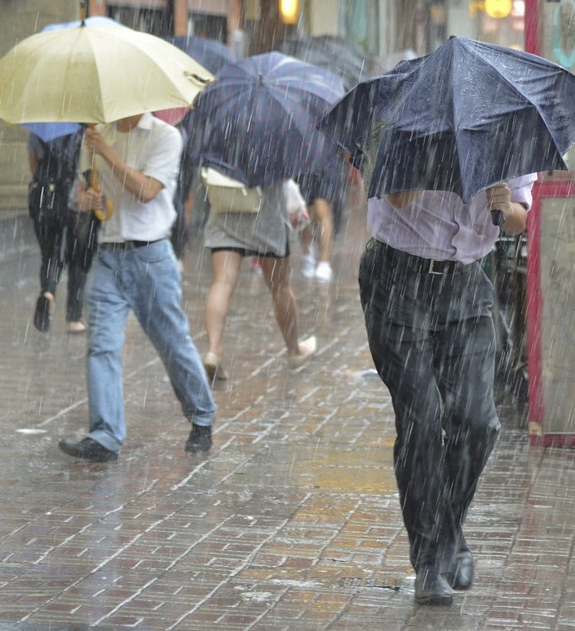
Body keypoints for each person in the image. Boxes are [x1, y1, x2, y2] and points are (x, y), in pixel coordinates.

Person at [357, 175, 537, 606]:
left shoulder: (504, 128)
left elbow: (518, 220)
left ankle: (447, 533)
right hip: (396, 281)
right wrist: (436, 164)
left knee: (478, 423)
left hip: (466, 285)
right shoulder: (406, 118)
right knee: (422, 417)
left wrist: (503, 205)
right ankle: (430, 562)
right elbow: (396, 198)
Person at [57, 114, 216, 462]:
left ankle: (202, 416)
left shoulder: (166, 137)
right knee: (101, 345)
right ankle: (105, 436)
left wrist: (107, 151)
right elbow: (87, 193)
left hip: (152, 258)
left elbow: (146, 191)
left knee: (172, 343)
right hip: (108, 256)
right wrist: (90, 201)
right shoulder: (95, 138)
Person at [200, 180, 317, 384]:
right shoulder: (273, 149)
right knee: (280, 286)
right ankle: (293, 349)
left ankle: (213, 351)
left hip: (226, 207)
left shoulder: (223, 147)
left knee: (223, 282)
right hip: (267, 216)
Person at [27, 126, 96, 334]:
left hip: (44, 200)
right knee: (78, 258)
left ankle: (48, 293)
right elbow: (90, 169)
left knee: (50, 255)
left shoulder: (41, 126)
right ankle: (73, 318)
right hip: (76, 200)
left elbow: (34, 164)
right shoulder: (86, 130)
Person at [297, 154, 349, 284]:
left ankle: (324, 261)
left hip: (329, 160)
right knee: (304, 211)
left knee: (322, 210)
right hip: (303, 160)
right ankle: (307, 253)